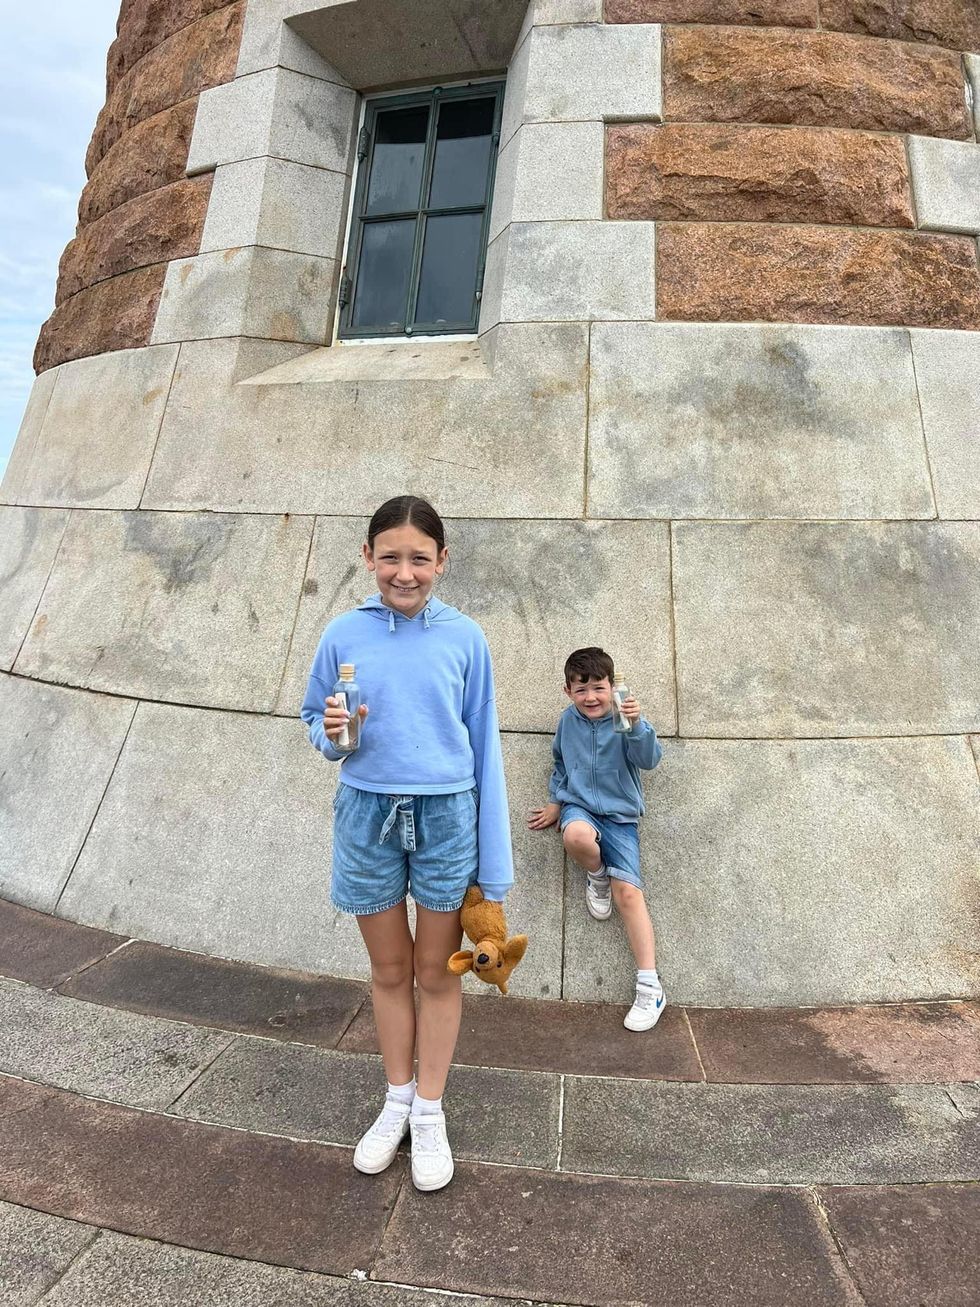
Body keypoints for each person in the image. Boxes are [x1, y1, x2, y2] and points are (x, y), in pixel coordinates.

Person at [300, 496, 512, 1192]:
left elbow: (485, 747)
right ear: (367, 557)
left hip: (449, 813)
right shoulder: (342, 635)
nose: (404, 571)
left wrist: (495, 863)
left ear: (442, 561)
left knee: (437, 971)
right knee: (388, 971)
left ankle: (429, 1108)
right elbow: (317, 720)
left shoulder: (465, 639)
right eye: (389, 555)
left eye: (420, 557)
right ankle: (395, 1098)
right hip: (366, 811)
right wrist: (337, 734)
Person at [528, 647, 664, 1031]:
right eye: (581, 689)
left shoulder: (624, 718)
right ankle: (597, 873)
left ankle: (650, 986)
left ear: (611, 686)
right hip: (581, 808)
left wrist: (637, 726)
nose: (591, 697)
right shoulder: (566, 722)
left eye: (599, 688)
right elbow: (560, 763)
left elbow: (650, 758)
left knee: (630, 895)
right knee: (575, 835)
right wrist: (557, 802)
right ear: (568, 690)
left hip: (620, 816)